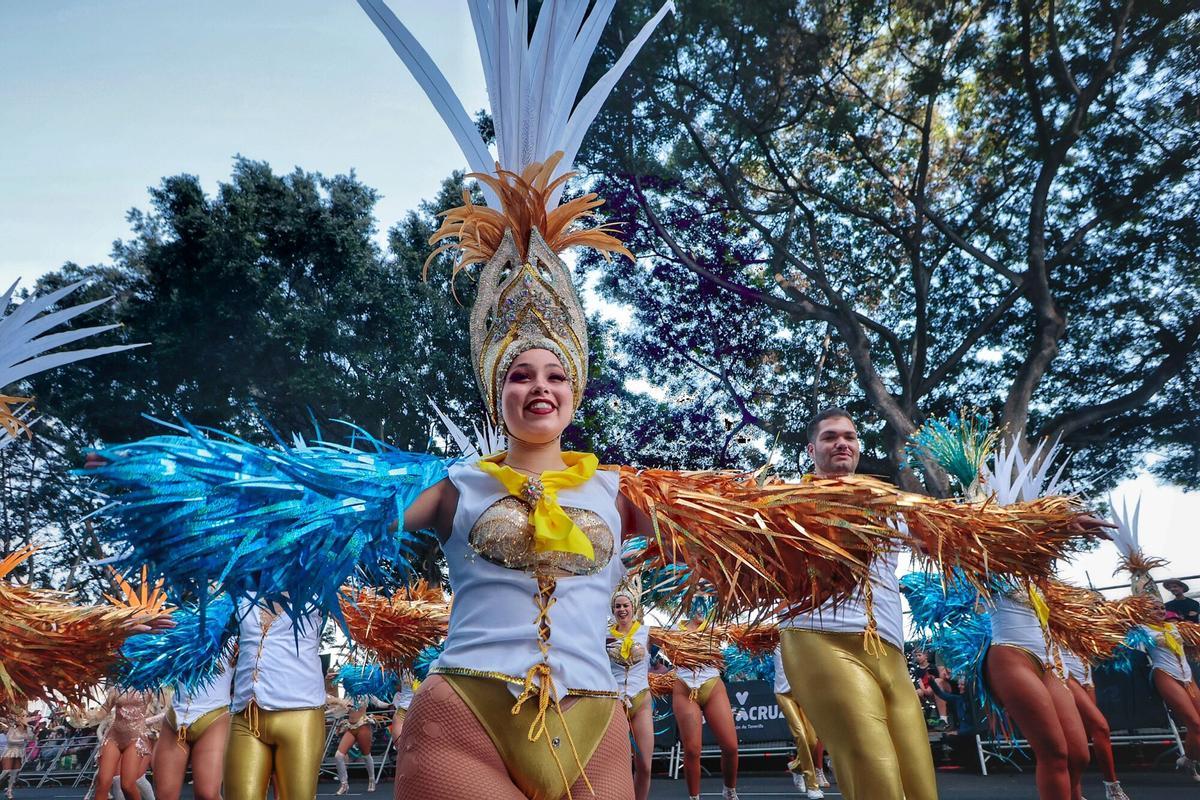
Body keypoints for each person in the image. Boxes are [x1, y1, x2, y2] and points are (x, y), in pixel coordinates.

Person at [779, 409, 939, 800]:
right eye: (831, 437)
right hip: (822, 639)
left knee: (921, 787)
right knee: (878, 779)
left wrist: (1046, 525)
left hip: (889, 650)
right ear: (812, 448)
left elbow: (960, 529)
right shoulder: (786, 502)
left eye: (849, 436)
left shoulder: (888, 504)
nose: (842, 443)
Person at [223, 599, 326, 800]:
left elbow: (370, 614)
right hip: (246, 717)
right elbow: (201, 629)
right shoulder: (241, 592)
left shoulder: (320, 586)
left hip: (300, 716)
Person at [666, 614, 739, 800]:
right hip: (684, 688)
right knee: (692, 749)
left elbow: (740, 635)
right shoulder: (673, 629)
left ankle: (729, 790)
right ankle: (694, 797)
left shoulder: (716, 624)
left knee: (730, 747)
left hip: (712, 685)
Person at [153, 655, 234, 800]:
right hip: (175, 718)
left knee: (207, 795)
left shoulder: (234, 633)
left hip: (214, 717)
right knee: (164, 796)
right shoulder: (173, 632)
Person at [1060, 648, 1130, 800]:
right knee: (1100, 728)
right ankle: (1113, 789)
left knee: (1079, 742)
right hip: (1064, 675)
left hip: (1086, 677)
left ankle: (1074, 795)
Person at [606, 580, 653, 800]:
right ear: (613, 610)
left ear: (633, 607)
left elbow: (670, 656)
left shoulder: (647, 633)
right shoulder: (603, 635)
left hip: (641, 700)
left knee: (644, 764)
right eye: (618, 606)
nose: (622, 610)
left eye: (625, 605)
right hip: (614, 703)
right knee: (619, 765)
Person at [772, 647, 825, 799]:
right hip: (783, 694)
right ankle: (812, 785)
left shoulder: (803, 635)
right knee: (800, 735)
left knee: (812, 741)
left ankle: (796, 767)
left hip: (804, 693)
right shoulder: (773, 637)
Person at [90, 689, 160, 800]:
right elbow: (103, 711)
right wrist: (85, 716)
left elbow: (161, 711)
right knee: (103, 782)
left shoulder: (150, 687)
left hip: (136, 739)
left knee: (127, 786)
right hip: (114, 737)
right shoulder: (116, 689)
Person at [332, 700, 378, 795]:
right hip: (350, 727)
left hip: (363, 726)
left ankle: (372, 780)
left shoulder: (366, 693)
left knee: (366, 755)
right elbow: (341, 709)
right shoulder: (348, 694)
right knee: (338, 756)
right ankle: (344, 784)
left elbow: (377, 702)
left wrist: (391, 704)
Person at [0, 711, 33, 800]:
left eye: (26, 716)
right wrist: (21, 740)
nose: (25, 717)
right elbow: (9, 740)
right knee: (6, 771)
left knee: (14, 773)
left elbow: (31, 737)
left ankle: (9, 791)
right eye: (23, 716)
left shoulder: (27, 728)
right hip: (10, 751)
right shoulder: (13, 728)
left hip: (19, 752)